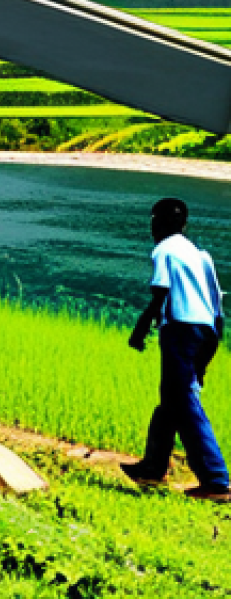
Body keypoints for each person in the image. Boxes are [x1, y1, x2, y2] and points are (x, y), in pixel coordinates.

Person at [124, 197, 228, 501]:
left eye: (154, 221)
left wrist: (140, 329)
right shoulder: (200, 255)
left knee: (183, 402)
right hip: (206, 330)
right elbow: (218, 305)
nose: (153, 227)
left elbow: (160, 293)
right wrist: (209, 350)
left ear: (158, 222)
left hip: (180, 329)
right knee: (171, 401)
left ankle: (216, 481)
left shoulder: (164, 250)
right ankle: (152, 467)